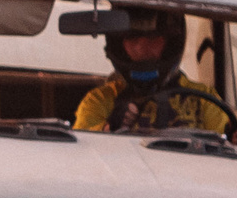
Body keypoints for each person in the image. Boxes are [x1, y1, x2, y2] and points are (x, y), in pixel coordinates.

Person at [72, 8, 228, 134]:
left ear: (170, 43)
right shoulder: (99, 100)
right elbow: (80, 155)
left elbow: (228, 143)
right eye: (133, 39)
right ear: (119, 44)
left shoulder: (205, 99)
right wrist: (110, 127)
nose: (142, 48)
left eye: (153, 38)